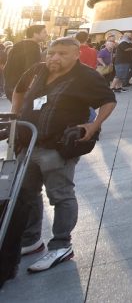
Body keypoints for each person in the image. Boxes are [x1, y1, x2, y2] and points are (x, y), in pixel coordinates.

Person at [12, 37, 116, 273]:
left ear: (75, 54)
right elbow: (18, 89)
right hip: (27, 146)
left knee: (60, 195)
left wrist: (94, 125)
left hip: (57, 147)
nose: (54, 58)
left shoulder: (87, 76)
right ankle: (31, 240)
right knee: (26, 194)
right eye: (51, 53)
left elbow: (109, 101)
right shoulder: (38, 70)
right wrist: (16, 115)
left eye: (61, 53)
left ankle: (61, 245)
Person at [4, 24, 46, 99]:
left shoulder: (17, 45)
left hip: (10, 86)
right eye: (44, 32)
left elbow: (6, 67)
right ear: (35, 34)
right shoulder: (33, 47)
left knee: (17, 109)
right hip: (23, 88)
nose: (46, 34)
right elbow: (32, 69)